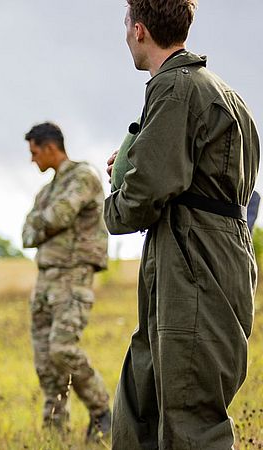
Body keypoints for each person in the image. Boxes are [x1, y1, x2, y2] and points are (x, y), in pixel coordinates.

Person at [105, 1, 259, 448]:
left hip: (195, 266)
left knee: (190, 418)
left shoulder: (173, 87)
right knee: (141, 404)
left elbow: (148, 192)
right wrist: (139, 159)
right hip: (198, 257)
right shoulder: (221, 90)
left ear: (138, 31)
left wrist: (114, 203)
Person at [21, 122, 111, 442]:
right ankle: (55, 433)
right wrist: (44, 223)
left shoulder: (83, 175)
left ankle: (102, 411)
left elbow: (58, 217)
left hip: (74, 275)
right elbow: (27, 233)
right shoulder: (47, 190)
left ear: (50, 147)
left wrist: (44, 222)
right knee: (45, 362)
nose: (32, 160)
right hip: (45, 278)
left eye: (34, 152)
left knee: (62, 349)